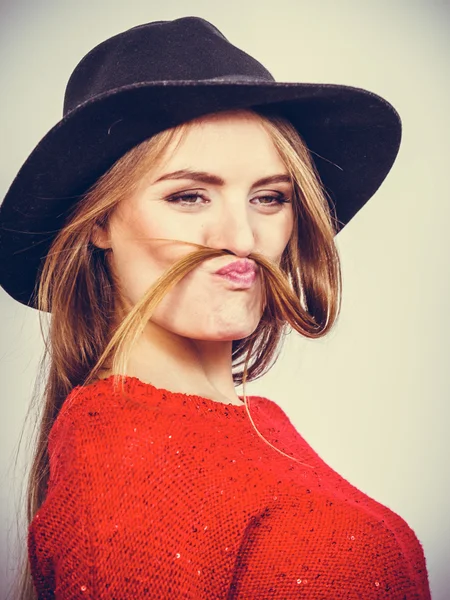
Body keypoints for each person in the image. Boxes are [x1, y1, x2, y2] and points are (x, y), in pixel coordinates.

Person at [0, 16, 431, 600]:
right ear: (99, 219)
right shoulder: (127, 465)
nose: (243, 236)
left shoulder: (253, 427)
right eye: (189, 196)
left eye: (269, 197)